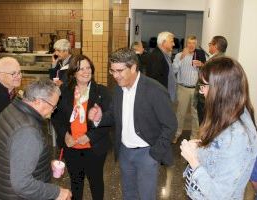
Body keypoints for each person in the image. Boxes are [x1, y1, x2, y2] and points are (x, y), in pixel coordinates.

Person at [88, 48, 177, 200]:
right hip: (125, 152)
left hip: (147, 153)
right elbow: (113, 115)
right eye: (112, 71)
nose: (116, 76)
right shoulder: (118, 90)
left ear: (134, 67)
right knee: (129, 195)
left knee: (146, 196)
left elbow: (170, 125)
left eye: (120, 71)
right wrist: (99, 117)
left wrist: (155, 154)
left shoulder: (154, 90)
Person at [180, 57, 257, 199]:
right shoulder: (232, 114)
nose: (201, 92)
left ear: (221, 90)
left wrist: (193, 160)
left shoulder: (237, 136)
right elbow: (221, 155)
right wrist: (202, 146)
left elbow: (220, 195)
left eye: (204, 86)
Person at [0, 79, 72, 200]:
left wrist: (44, 163)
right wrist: (57, 192)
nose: (53, 110)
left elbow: (15, 156)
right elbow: (22, 184)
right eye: (53, 106)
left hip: (2, 190)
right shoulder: (28, 131)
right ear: (38, 102)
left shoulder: (12, 109)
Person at [51, 54, 111, 200]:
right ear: (73, 73)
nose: (86, 72)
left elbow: (108, 121)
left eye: (88, 68)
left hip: (94, 147)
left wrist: (88, 136)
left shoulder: (102, 92)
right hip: (71, 148)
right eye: (81, 69)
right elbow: (56, 117)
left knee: (96, 182)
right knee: (76, 183)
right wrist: (65, 135)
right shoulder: (64, 92)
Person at [172, 35, 206, 143]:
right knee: (180, 113)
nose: (191, 45)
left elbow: (206, 71)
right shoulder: (179, 55)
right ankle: (177, 134)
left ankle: (194, 137)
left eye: (193, 43)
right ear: (186, 44)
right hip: (183, 88)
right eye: (189, 43)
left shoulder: (199, 55)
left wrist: (201, 65)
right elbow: (174, 70)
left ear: (196, 44)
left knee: (195, 114)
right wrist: (182, 58)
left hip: (196, 89)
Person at [196, 35, 228, 124]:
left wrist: (200, 98)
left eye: (210, 44)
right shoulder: (219, 59)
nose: (209, 46)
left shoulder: (217, 61)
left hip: (207, 100)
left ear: (216, 46)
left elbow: (208, 80)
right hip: (209, 99)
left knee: (204, 124)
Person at [146, 31, 177, 101]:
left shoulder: (164, 55)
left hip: (165, 95)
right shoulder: (156, 56)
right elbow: (154, 79)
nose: (174, 44)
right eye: (171, 41)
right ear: (163, 43)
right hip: (160, 97)